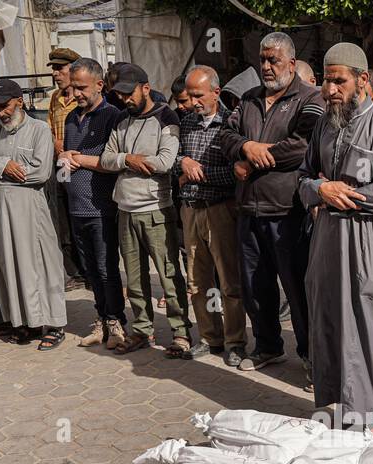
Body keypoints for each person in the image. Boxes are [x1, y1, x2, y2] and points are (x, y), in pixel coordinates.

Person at [298, 42, 373, 430]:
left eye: (338, 81)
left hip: (368, 246)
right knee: (330, 319)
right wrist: (318, 190)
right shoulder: (325, 124)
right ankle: (340, 404)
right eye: (327, 81)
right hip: (327, 241)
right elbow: (304, 178)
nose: (330, 90)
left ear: (362, 80)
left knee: (369, 324)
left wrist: (339, 193)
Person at [215, 31, 324, 372]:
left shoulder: (310, 98)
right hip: (249, 210)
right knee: (255, 286)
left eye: (272, 60)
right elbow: (225, 135)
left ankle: (311, 355)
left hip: (288, 210)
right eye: (262, 59)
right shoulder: (248, 98)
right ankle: (267, 346)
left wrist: (260, 157)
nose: (265, 66)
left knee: (298, 289)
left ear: (291, 63)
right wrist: (246, 148)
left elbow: (303, 145)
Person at [98, 64, 193, 356]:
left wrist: (129, 160)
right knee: (135, 277)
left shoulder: (167, 117)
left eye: (129, 93)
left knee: (168, 274)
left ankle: (181, 333)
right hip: (125, 208)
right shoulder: (121, 120)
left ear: (146, 88)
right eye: (120, 94)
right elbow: (106, 159)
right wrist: (129, 158)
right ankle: (141, 330)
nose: (125, 99)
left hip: (156, 208)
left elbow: (165, 162)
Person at [0, 79, 68, 350]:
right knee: (12, 266)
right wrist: (2, 164)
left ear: (19, 102)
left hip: (31, 210)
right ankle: (26, 323)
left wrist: (5, 173)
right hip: (2, 213)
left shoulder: (39, 129)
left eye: (5, 105)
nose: (1, 111)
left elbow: (40, 172)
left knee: (40, 265)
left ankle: (54, 324)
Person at [175, 65, 247, 364]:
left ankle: (235, 341)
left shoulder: (231, 124)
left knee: (229, 281)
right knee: (197, 280)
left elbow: (237, 172)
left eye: (198, 95)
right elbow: (175, 156)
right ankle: (209, 337)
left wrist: (198, 173)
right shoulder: (187, 122)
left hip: (221, 211)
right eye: (189, 96)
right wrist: (183, 163)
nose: (193, 102)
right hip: (191, 210)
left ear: (216, 92)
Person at [59, 58, 127, 350]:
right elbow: (68, 156)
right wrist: (64, 161)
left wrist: (80, 160)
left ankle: (116, 321)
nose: (76, 94)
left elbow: (114, 162)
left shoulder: (113, 116)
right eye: (73, 87)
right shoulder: (71, 118)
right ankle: (100, 317)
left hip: (102, 207)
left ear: (100, 85)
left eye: (82, 88)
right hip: (76, 206)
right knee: (89, 270)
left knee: (106, 267)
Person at [46, 47, 84, 291]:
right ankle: (73, 272)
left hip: (80, 166)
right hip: (59, 166)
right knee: (62, 218)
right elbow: (48, 130)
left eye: (60, 69)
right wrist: (56, 146)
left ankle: (88, 271)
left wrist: (67, 147)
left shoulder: (84, 98)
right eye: (54, 69)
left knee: (81, 218)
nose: (56, 74)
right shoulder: (54, 98)